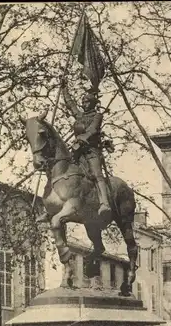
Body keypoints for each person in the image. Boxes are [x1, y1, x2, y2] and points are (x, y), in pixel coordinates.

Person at [60, 77, 112, 220]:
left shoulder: (97, 116)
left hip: (91, 151)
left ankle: (104, 203)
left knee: (96, 174)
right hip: (77, 151)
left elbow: (93, 130)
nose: (83, 104)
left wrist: (81, 140)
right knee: (63, 170)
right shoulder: (80, 115)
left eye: (87, 101)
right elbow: (70, 104)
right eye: (83, 101)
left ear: (93, 103)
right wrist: (64, 88)